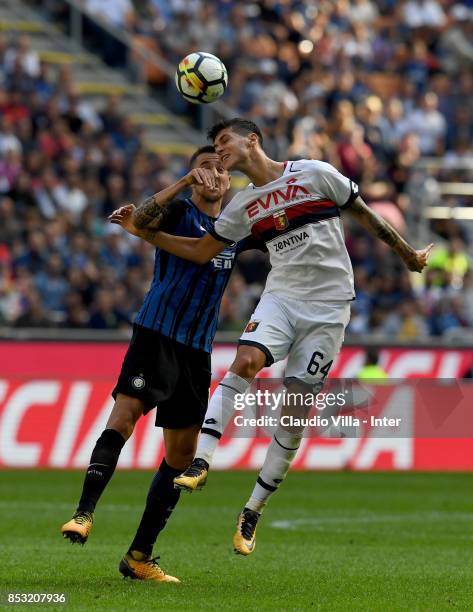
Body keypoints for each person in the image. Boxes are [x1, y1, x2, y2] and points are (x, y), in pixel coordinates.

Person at [144, 118, 433, 556]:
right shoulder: (242, 205)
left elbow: (365, 215)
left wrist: (407, 253)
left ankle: (253, 510)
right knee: (244, 362)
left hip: (330, 307)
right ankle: (202, 460)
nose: (219, 149)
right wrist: (146, 233)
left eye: (225, 141)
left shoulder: (315, 174)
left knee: (294, 413)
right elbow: (203, 252)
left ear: (252, 140)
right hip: (281, 299)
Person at [60, 145, 265, 582]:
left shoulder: (235, 226)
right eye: (204, 167)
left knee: (182, 455)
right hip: (156, 334)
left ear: (230, 181)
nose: (214, 175)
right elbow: (145, 219)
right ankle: (83, 514)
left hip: (197, 351)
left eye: (220, 169)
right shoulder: (178, 212)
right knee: (125, 415)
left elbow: (275, 230)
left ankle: (139, 556)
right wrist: (186, 182)